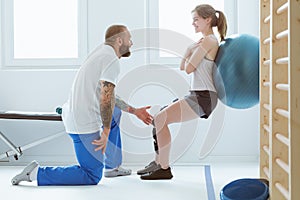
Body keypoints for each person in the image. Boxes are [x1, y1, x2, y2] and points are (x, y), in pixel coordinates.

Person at [11, 24, 153, 186]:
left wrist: (134, 111)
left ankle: (112, 166)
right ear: (119, 41)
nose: (131, 43)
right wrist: (105, 133)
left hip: (75, 112)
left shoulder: (100, 53)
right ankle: (36, 173)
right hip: (83, 122)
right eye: (129, 39)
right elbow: (106, 99)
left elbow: (109, 94)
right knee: (91, 175)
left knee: (115, 113)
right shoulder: (111, 60)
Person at [139, 4, 227, 180]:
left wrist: (190, 52)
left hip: (205, 96)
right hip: (197, 94)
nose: (193, 24)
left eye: (196, 19)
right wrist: (189, 49)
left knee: (160, 119)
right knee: (158, 118)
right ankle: (158, 163)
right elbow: (182, 65)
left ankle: (164, 168)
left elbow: (188, 68)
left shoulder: (210, 41)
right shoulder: (203, 42)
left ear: (207, 19)